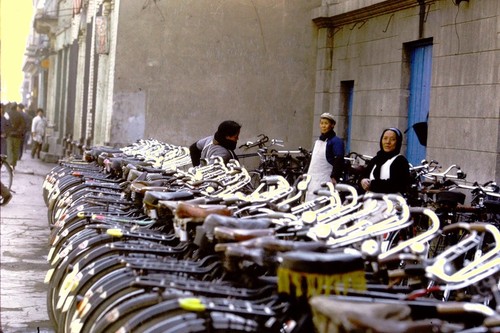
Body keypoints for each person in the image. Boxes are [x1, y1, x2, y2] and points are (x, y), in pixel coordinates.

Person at [305, 113, 345, 201]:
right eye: (321, 123)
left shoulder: (336, 142)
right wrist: (304, 174)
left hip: (324, 180)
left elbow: (339, 159)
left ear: (332, 125)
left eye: (326, 123)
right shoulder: (317, 142)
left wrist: (334, 177)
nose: (323, 126)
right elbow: (311, 160)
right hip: (311, 180)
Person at [360, 127, 410, 194]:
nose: (387, 142)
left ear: (398, 142)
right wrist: (363, 181)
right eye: (385, 138)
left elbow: (395, 185)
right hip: (371, 202)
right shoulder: (376, 159)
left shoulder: (400, 161)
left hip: (391, 202)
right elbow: (363, 176)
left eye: (392, 139)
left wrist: (372, 184)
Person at [4, 102, 26, 170]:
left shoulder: (7, 114)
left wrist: (7, 132)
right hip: (17, 136)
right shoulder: (20, 115)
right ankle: (13, 164)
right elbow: (23, 125)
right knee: (16, 150)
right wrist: (18, 131)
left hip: (9, 135)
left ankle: (10, 163)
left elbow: (4, 124)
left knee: (9, 149)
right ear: (16, 107)